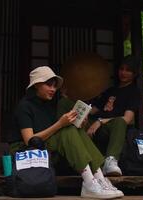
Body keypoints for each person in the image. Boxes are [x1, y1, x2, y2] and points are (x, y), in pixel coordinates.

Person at [12, 66, 124, 199]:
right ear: (36, 85)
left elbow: (57, 131)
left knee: (73, 128)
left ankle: (100, 179)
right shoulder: (24, 106)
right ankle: (89, 182)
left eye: (54, 86)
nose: (53, 89)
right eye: (49, 85)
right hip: (28, 151)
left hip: (49, 148)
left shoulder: (48, 105)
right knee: (67, 130)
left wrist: (78, 124)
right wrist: (60, 124)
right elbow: (29, 140)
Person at [87, 55, 138, 176]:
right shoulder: (110, 91)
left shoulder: (134, 92)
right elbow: (93, 110)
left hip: (113, 128)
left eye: (128, 70)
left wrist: (100, 121)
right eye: (122, 69)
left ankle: (110, 161)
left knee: (120, 122)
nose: (123, 73)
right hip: (96, 126)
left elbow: (127, 119)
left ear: (134, 74)